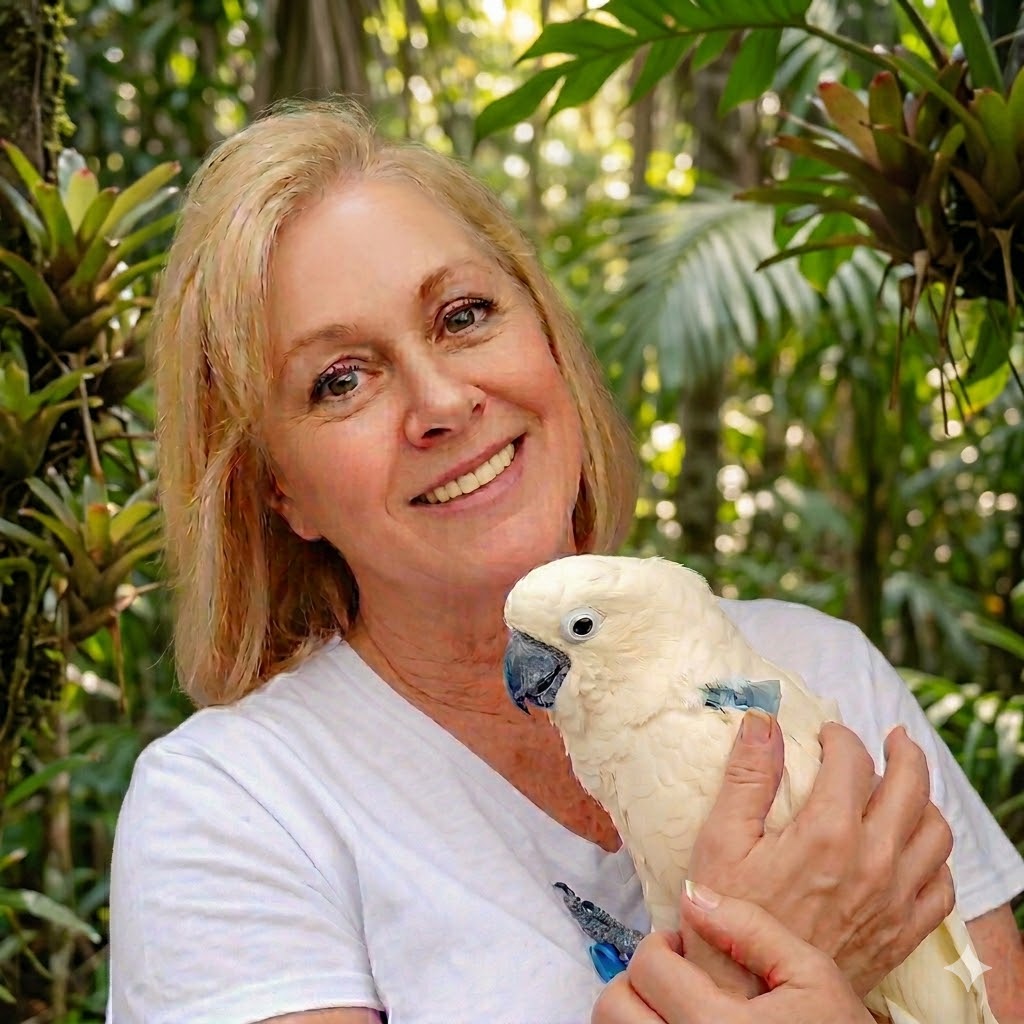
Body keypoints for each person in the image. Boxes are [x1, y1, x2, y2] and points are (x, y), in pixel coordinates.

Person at [107, 99, 1024, 1024]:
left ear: (547, 336)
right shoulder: (233, 810)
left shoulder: (824, 678)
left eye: (464, 316)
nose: (442, 403)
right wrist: (755, 953)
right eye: (341, 379)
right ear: (278, 491)